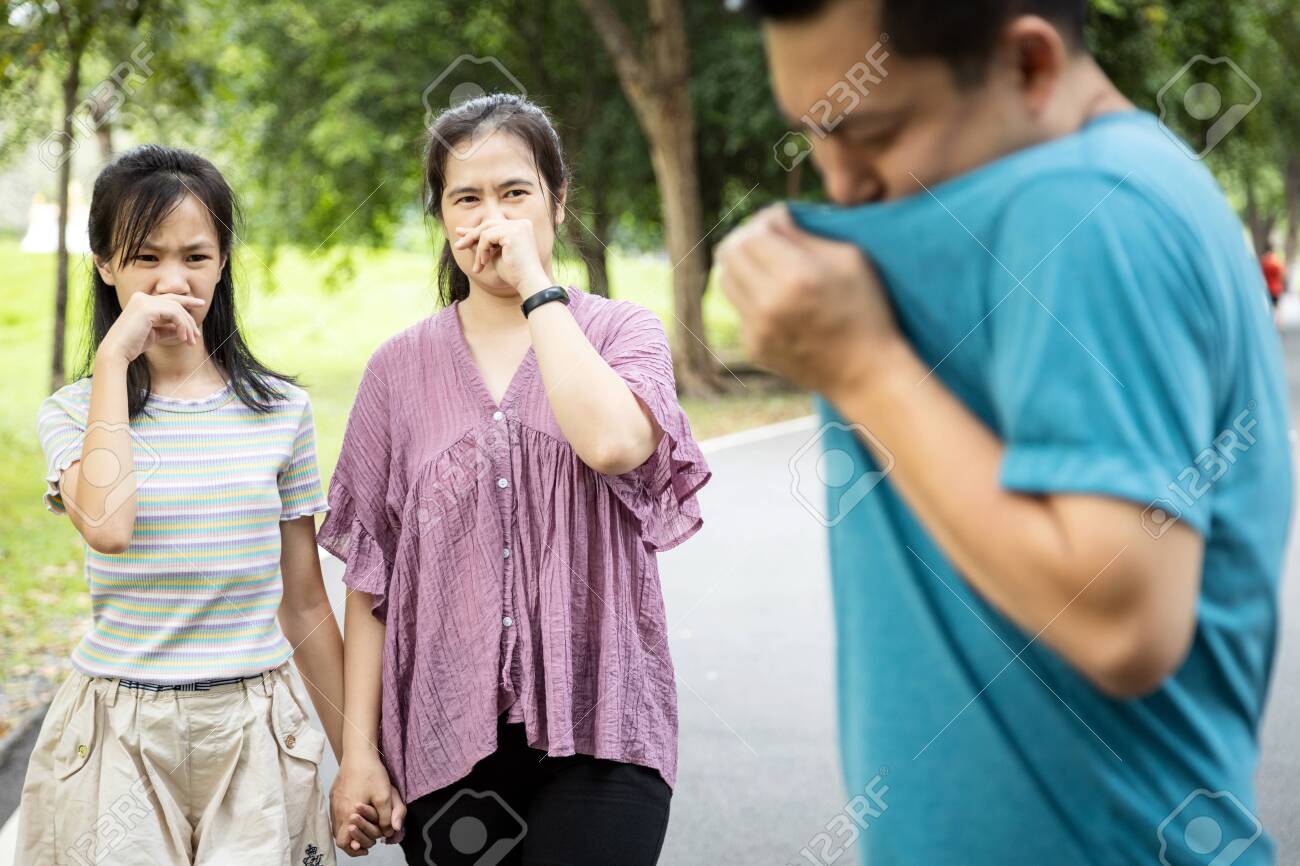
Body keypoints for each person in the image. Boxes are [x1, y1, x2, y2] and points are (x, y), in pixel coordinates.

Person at [719, 2, 1291, 864]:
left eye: (872, 131)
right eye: (814, 135)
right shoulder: (1129, 176)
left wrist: (863, 367)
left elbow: (1124, 622)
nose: (844, 185)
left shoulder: (1086, 207)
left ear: (1030, 66)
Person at [322, 93, 710, 866]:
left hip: (604, 728)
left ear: (557, 204)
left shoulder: (619, 332)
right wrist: (357, 755)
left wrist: (538, 290)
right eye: (466, 197)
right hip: (446, 746)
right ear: (441, 216)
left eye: (515, 193)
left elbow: (612, 443)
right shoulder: (397, 372)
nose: (489, 217)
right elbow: (371, 585)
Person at [16, 145, 344, 866]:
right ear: (105, 263)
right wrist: (112, 360)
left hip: (256, 728)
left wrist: (359, 760)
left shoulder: (281, 411)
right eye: (146, 257)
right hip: (118, 731)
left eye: (196, 256)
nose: (173, 281)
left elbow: (306, 601)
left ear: (224, 260)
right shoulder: (73, 414)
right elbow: (107, 524)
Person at [1260, 241, 1286, 309]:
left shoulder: (1264, 260)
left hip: (1267, 288)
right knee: (1276, 308)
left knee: (1268, 307)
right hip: (1276, 289)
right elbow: (1282, 274)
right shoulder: (1276, 261)